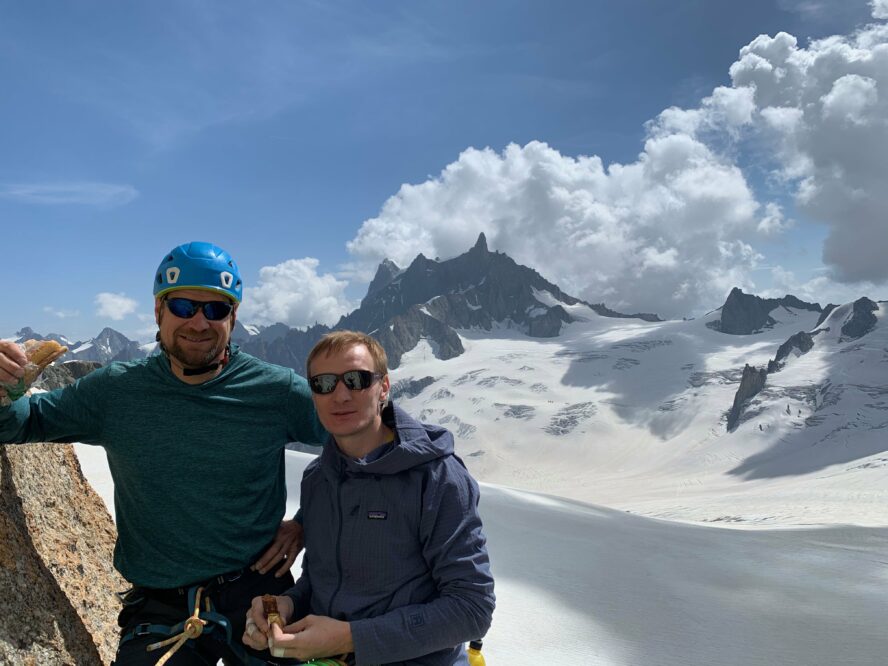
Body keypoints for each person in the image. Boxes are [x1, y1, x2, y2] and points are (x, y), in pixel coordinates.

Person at [0, 241, 326, 665]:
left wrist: (304, 522)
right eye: (184, 305)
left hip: (261, 594)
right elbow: (24, 422)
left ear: (234, 318)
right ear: (158, 312)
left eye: (215, 310)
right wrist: (6, 390)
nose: (199, 322)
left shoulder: (276, 391)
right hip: (161, 606)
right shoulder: (116, 391)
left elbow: (362, 441)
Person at [242, 331, 494, 665]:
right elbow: (323, 581)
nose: (340, 395)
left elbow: (472, 608)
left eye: (356, 379)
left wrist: (350, 638)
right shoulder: (318, 480)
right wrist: (286, 606)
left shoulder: (437, 477)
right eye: (324, 383)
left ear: (384, 388)